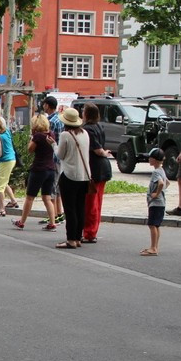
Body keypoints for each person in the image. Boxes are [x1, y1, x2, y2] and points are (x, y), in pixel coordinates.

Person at [54, 107, 90, 249]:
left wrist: (53, 145)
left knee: (70, 208)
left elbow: (60, 155)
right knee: (80, 207)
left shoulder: (65, 135)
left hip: (70, 175)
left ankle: (71, 239)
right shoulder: (85, 133)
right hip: (85, 176)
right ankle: (78, 237)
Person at [13, 114, 57, 231]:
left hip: (39, 168)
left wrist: (32, 138)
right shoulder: (51, 134)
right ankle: (52, 222)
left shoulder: (37, 136)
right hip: (51, 169)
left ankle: (22, 221)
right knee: (47, 197)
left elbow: (30, 149)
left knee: (30, 197)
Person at [81, 103, 112, 244]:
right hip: (103, 168)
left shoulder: (87, 129)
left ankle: (89, 232)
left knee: (90, 202)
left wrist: (104, 153)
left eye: (83, 111)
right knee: (98, 201)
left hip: (94, 167)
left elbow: (97, 150)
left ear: (87, 114)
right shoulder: (100, 127)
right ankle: (93, 230)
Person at [41, 96, 66, 226]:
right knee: (57, 187)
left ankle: (53, 215)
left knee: (51, 188)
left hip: (52, 157)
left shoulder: (50, 121)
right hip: (60, 156)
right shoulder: (60, 119)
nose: (43, 105)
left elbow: (48, 140)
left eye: (44, 104)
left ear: (47, 106)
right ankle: (59, 213)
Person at [141, 148, 168, 256]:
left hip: (156, 203)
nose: (148, 159)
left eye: (150, 158)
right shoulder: (162, 170)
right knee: (156, 225)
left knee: (152, 225)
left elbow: (161, 183)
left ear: (155, 160)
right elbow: (167, 182)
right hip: (161, 203)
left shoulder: (156, 172)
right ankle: (155, 246)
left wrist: (156, 194)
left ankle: (153, 248)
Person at [0, 118, 17, 216]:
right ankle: (13, 201)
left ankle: (1, 209)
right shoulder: (6, 132)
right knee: (4, 182)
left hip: (4, 162)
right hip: (12, 159)